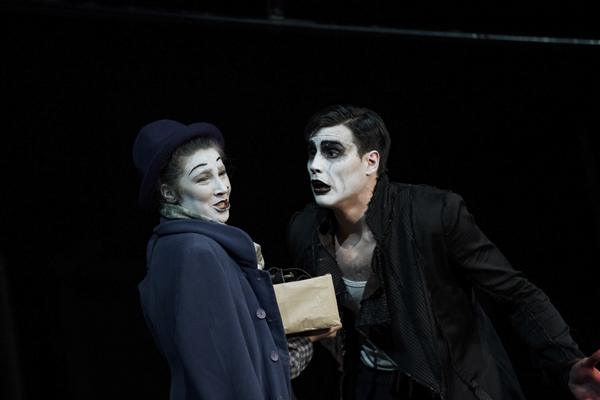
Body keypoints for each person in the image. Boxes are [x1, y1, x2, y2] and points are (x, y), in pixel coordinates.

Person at [287, 105, 600, 399]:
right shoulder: (306, 229)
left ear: (371, 162)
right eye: (312, 152)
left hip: (446, 383)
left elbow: (516, 294)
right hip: (369, 382)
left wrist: (567, 363)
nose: (315, 165)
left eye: (332, 152)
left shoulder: (432, 214)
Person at [133, 119, 301, 399]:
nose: (222, 187)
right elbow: (225, 374)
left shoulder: (166, 246)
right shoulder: (197, 251)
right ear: (168, 192)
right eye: (203, 178)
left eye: (221, 172)